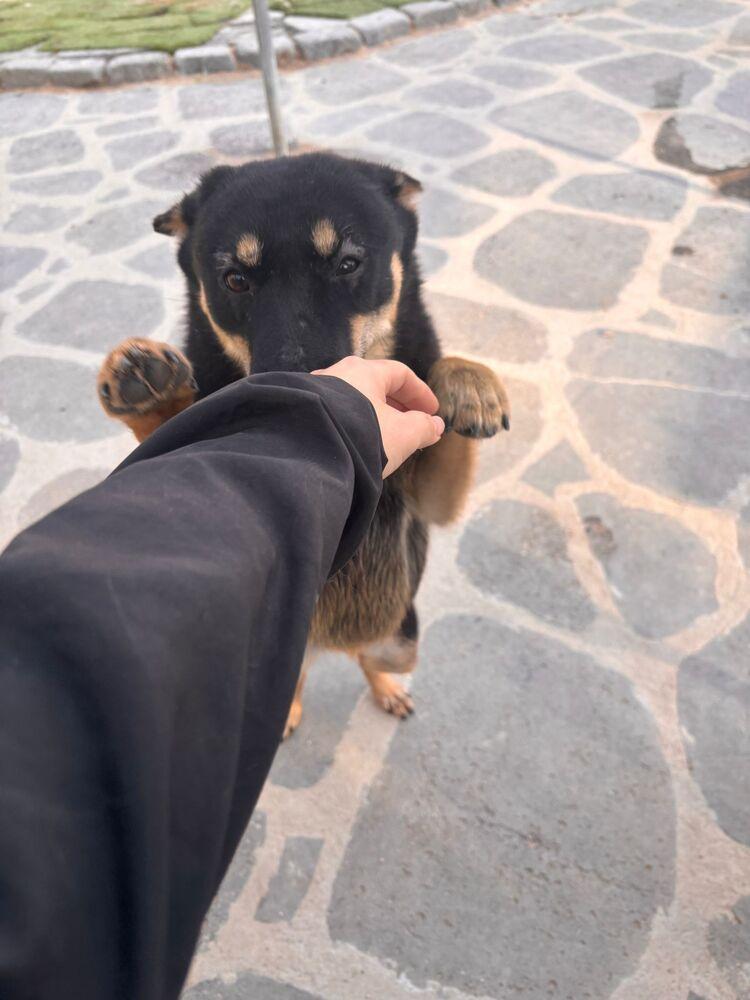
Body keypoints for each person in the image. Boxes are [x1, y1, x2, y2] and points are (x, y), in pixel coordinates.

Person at [0, 357, 444, 1000]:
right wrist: (316, 433)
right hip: (298, 580)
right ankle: (298, 690)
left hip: (371, 611)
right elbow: (71, 662)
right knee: (293, 658)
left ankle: (366, 680)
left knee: (387, 659)